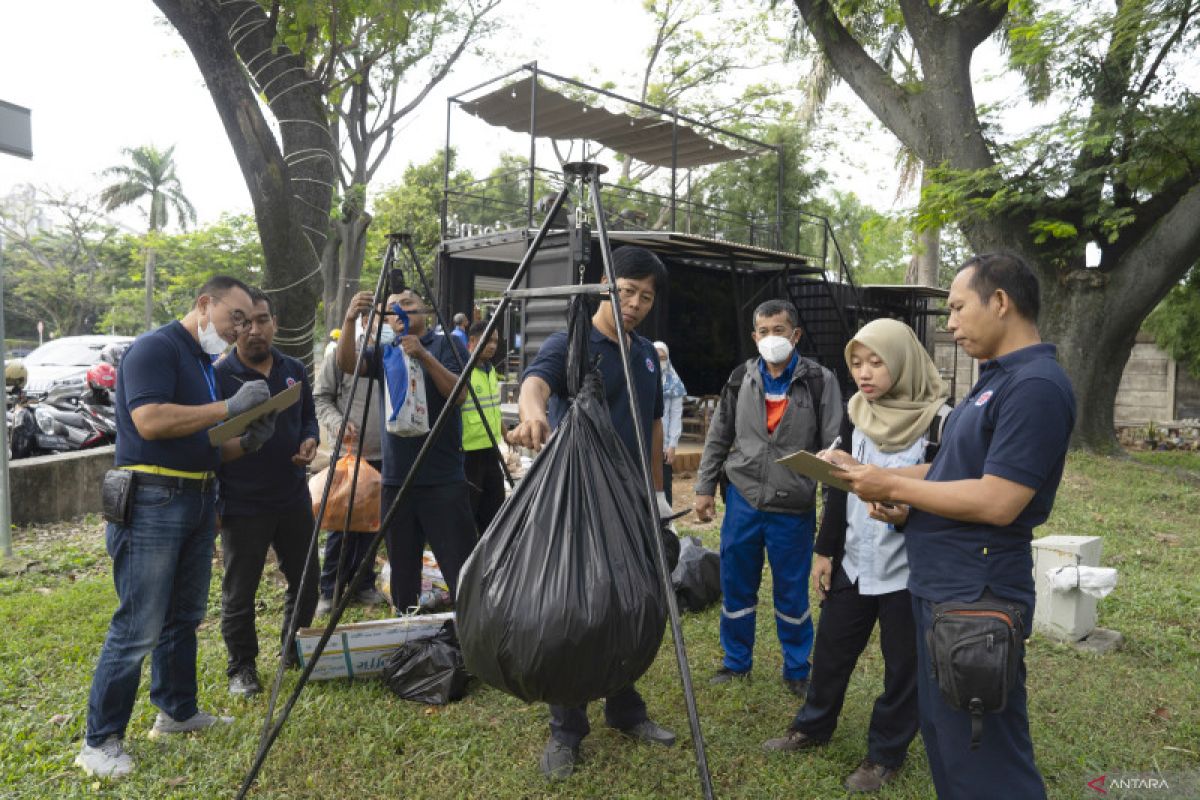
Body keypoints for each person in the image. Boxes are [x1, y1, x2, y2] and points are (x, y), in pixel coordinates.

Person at [834, 253, 1075, 800]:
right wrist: (878, 478)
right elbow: (950, 472)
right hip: (944, 587)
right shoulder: (994, 380)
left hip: (977, 594)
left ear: (1001, 302)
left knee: (984, 752)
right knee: (948, 740)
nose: (949, 323)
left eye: (958, 307)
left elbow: (998, 500)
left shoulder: (1035, 386)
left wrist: (891, 486)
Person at [77, 276, 273, 779]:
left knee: (184, 615)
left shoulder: (202, 362)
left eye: (250, 320)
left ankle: (177, 710)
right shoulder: (154, 349)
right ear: (204, 304)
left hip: (195, 494)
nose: (241, 329)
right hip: (152, 499)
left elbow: (201, 441)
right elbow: (151, 422)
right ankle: (99, 741)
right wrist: (230, 407)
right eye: (236, 317)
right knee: (138, 622)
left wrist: (245, 441)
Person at [508, 246, 676, 781]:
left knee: (625, 604)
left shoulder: (647, 354)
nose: (634, 303)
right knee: (574, 611)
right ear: (605, 285)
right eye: (626, 291)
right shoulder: (573, 342)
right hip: (578, 500)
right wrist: (533, 415)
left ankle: (626, 709)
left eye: (645, 296)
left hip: (629, 501)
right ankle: (566, 730)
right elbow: (536, 383)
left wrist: (655, 495)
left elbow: (652, 424)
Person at [763, 318, 948, 794]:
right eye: (856, 363)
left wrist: (907, 515)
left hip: (910, 569)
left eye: (876, 362)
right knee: (831, 651)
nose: (864, 373)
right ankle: (811, 726)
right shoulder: (857, 412)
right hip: (855, 559)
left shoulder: (939, 423)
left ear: (903, 361)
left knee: (902, 666)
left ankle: (885, 755)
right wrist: (825, 551)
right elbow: (842, 493)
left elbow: (951, 499)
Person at [693, 298, 842, 697]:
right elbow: (719, 435)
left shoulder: (820, 380)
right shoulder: (742, 377)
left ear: (796, 334)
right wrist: (705, 487)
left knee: (791, 592)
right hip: (742, 500)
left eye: (779, 330)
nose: (771, 338)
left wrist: (832, 514)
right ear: (754, 335)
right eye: (763, 331)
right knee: (736, 587)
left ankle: (797, 668)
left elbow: (834, 448)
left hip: (792, 507)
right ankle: (736, 662)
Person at [337, 289, 477, 614]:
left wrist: (423, 356)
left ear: (425, 311)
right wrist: (349, 320)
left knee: (461, 569)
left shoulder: (446, 345)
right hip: (397, 480)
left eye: (407, 304)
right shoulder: (387, 351)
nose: (398, 311)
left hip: (442, 479)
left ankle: (470, 636)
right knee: (403, 574)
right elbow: (347, 364)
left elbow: (459, 394)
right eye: (390, 309)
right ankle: (407, 636)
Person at [214, 288, 321, 696]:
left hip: (292, 495)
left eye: (262, 321)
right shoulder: (221, 376)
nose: (254, 331)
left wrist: (309, 440)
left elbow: (307, 416)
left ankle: (293, 649)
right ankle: (241, 667)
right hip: (243, 500)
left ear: (274, 324)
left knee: (306, 577)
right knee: (240, 589)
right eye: (244, 323)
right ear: (234, 328)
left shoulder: (293, 368)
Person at [313, 313, 389, 615]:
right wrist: (337, 422)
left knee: (372, 524)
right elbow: (321, 397)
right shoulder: (341, 357)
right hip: (350, 456)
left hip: (384, 456)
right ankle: (329, 589)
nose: (378, 328)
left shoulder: (394, 355)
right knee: (341, 525)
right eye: (374, 321)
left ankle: (363, 584)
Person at [462, 320, 506, 536]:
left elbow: (493, 408)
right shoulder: (463, 368)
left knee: (495, 506)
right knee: (469, 511)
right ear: (472, 341)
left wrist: (506, 434)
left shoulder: (489, 370)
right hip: (469, 453)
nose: (492, 345)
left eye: (496, 341)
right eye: (488, 340)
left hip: (490, 448)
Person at [654, 341, 686, 506]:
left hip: (664, 444)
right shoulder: (640, 378)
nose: (660, 362)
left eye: (663, 358)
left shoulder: (674, 383)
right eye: (657, 358)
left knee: (664, 486)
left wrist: (672, 445)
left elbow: (675, 416)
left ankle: (665, 527)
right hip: (643, 441)